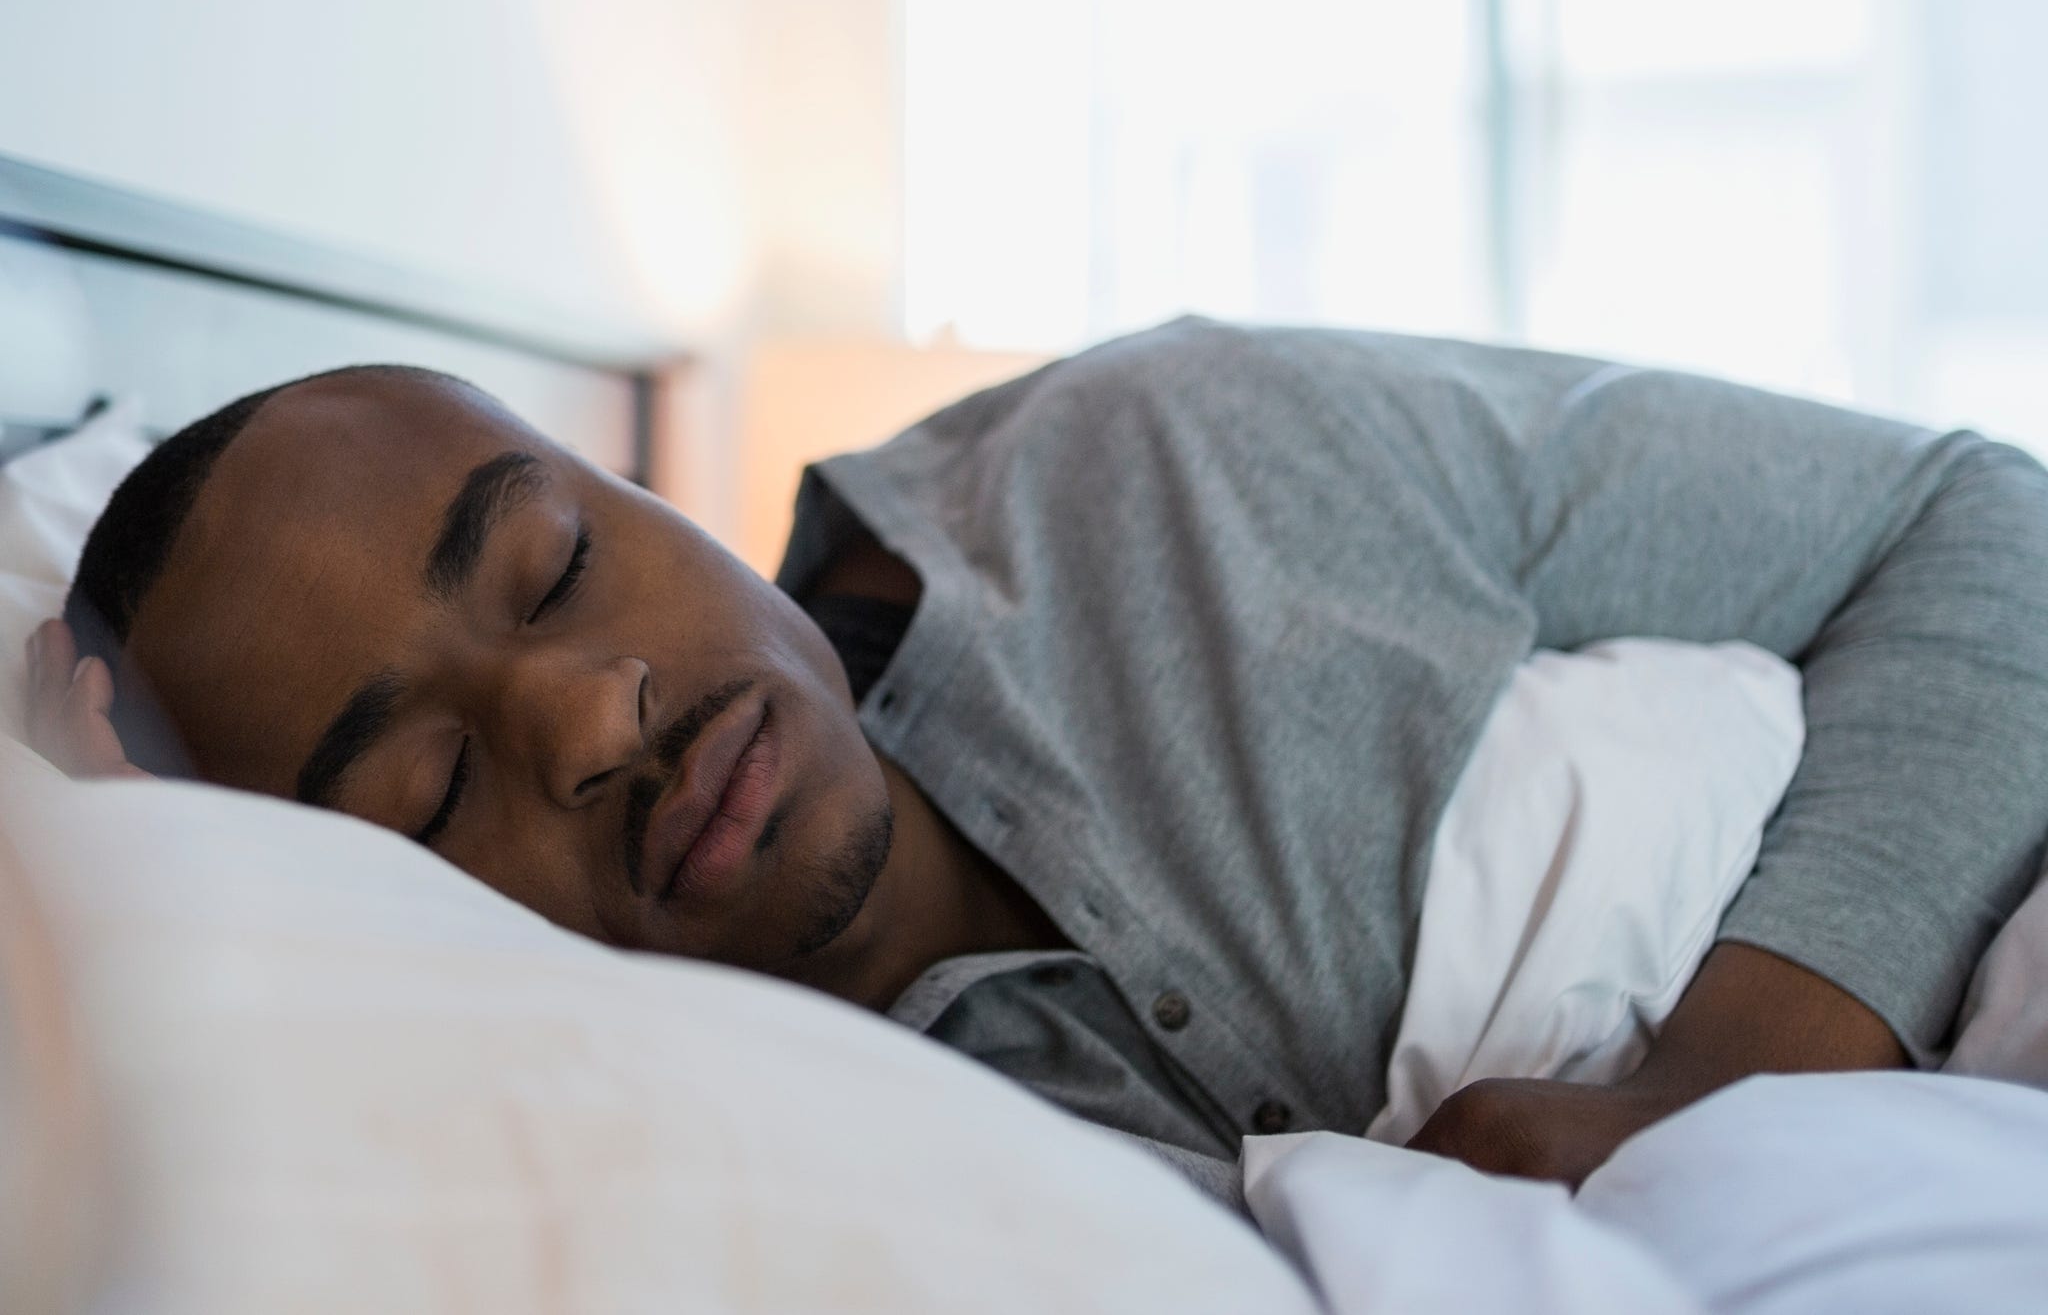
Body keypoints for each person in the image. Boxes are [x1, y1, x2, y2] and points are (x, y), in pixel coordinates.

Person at [24, 318, 2048, 1205]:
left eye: (554, 563)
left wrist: (1724, 1089)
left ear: (653, 491)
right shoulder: (705, 1185)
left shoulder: (1169, 460)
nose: (580, 716)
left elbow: (1982, 520)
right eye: (426, 799)